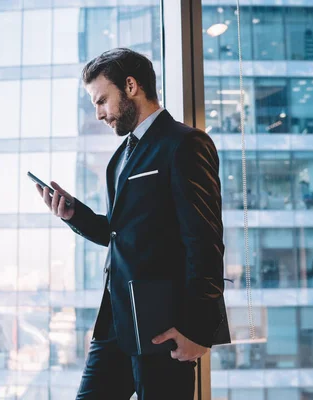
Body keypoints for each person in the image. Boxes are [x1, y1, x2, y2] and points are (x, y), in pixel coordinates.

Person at [35, 48, 228, 399]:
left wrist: (198, 330)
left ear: (131, 86)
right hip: (115, 323)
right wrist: (73, 215)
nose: (99, 114)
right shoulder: (119, 159)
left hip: (164, 326)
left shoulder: (185, 143)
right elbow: (119, 232)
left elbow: (205, 240)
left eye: (102, 101)